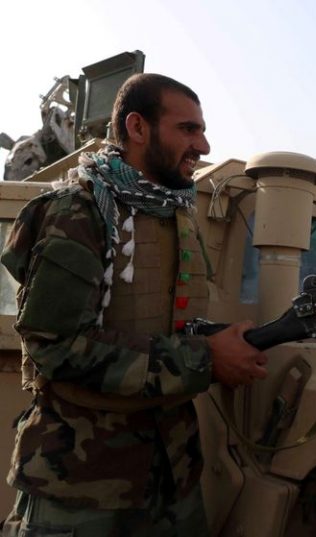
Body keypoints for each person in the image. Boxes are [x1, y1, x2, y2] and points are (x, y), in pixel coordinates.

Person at [0, 73, 268, 536]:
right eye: (188, 129)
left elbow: (163, 324)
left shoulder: (175, 213)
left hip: (172, 480)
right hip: (82, 485)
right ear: (138, 128)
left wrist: (220, 340)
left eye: (202, 130)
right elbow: (57, 347)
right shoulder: (78, 212)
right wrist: (206, 359)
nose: (203, 145)